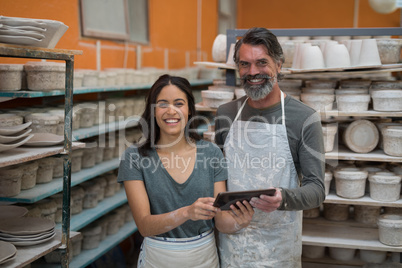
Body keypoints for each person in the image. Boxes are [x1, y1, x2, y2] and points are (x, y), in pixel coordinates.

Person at [214, 27, 326, 267]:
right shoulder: (226, 114)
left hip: (278, 244)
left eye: (261, 62)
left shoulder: (304, 118)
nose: (252, 72)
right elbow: (218, 178)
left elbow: (317, 189)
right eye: (245, 64)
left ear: (279, 65)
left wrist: (283, 198)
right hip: (234, 241)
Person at [117, 74, 254, 268]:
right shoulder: (134, 157)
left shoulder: (211, 153)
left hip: (204, 257)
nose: (171, 111)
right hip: (158, 258)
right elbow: (144, 226)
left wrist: (239, 221)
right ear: (153, 111)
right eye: (163, 104)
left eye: (179, 103)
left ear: (189, 109)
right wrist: (187, 212)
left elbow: (220, 221)